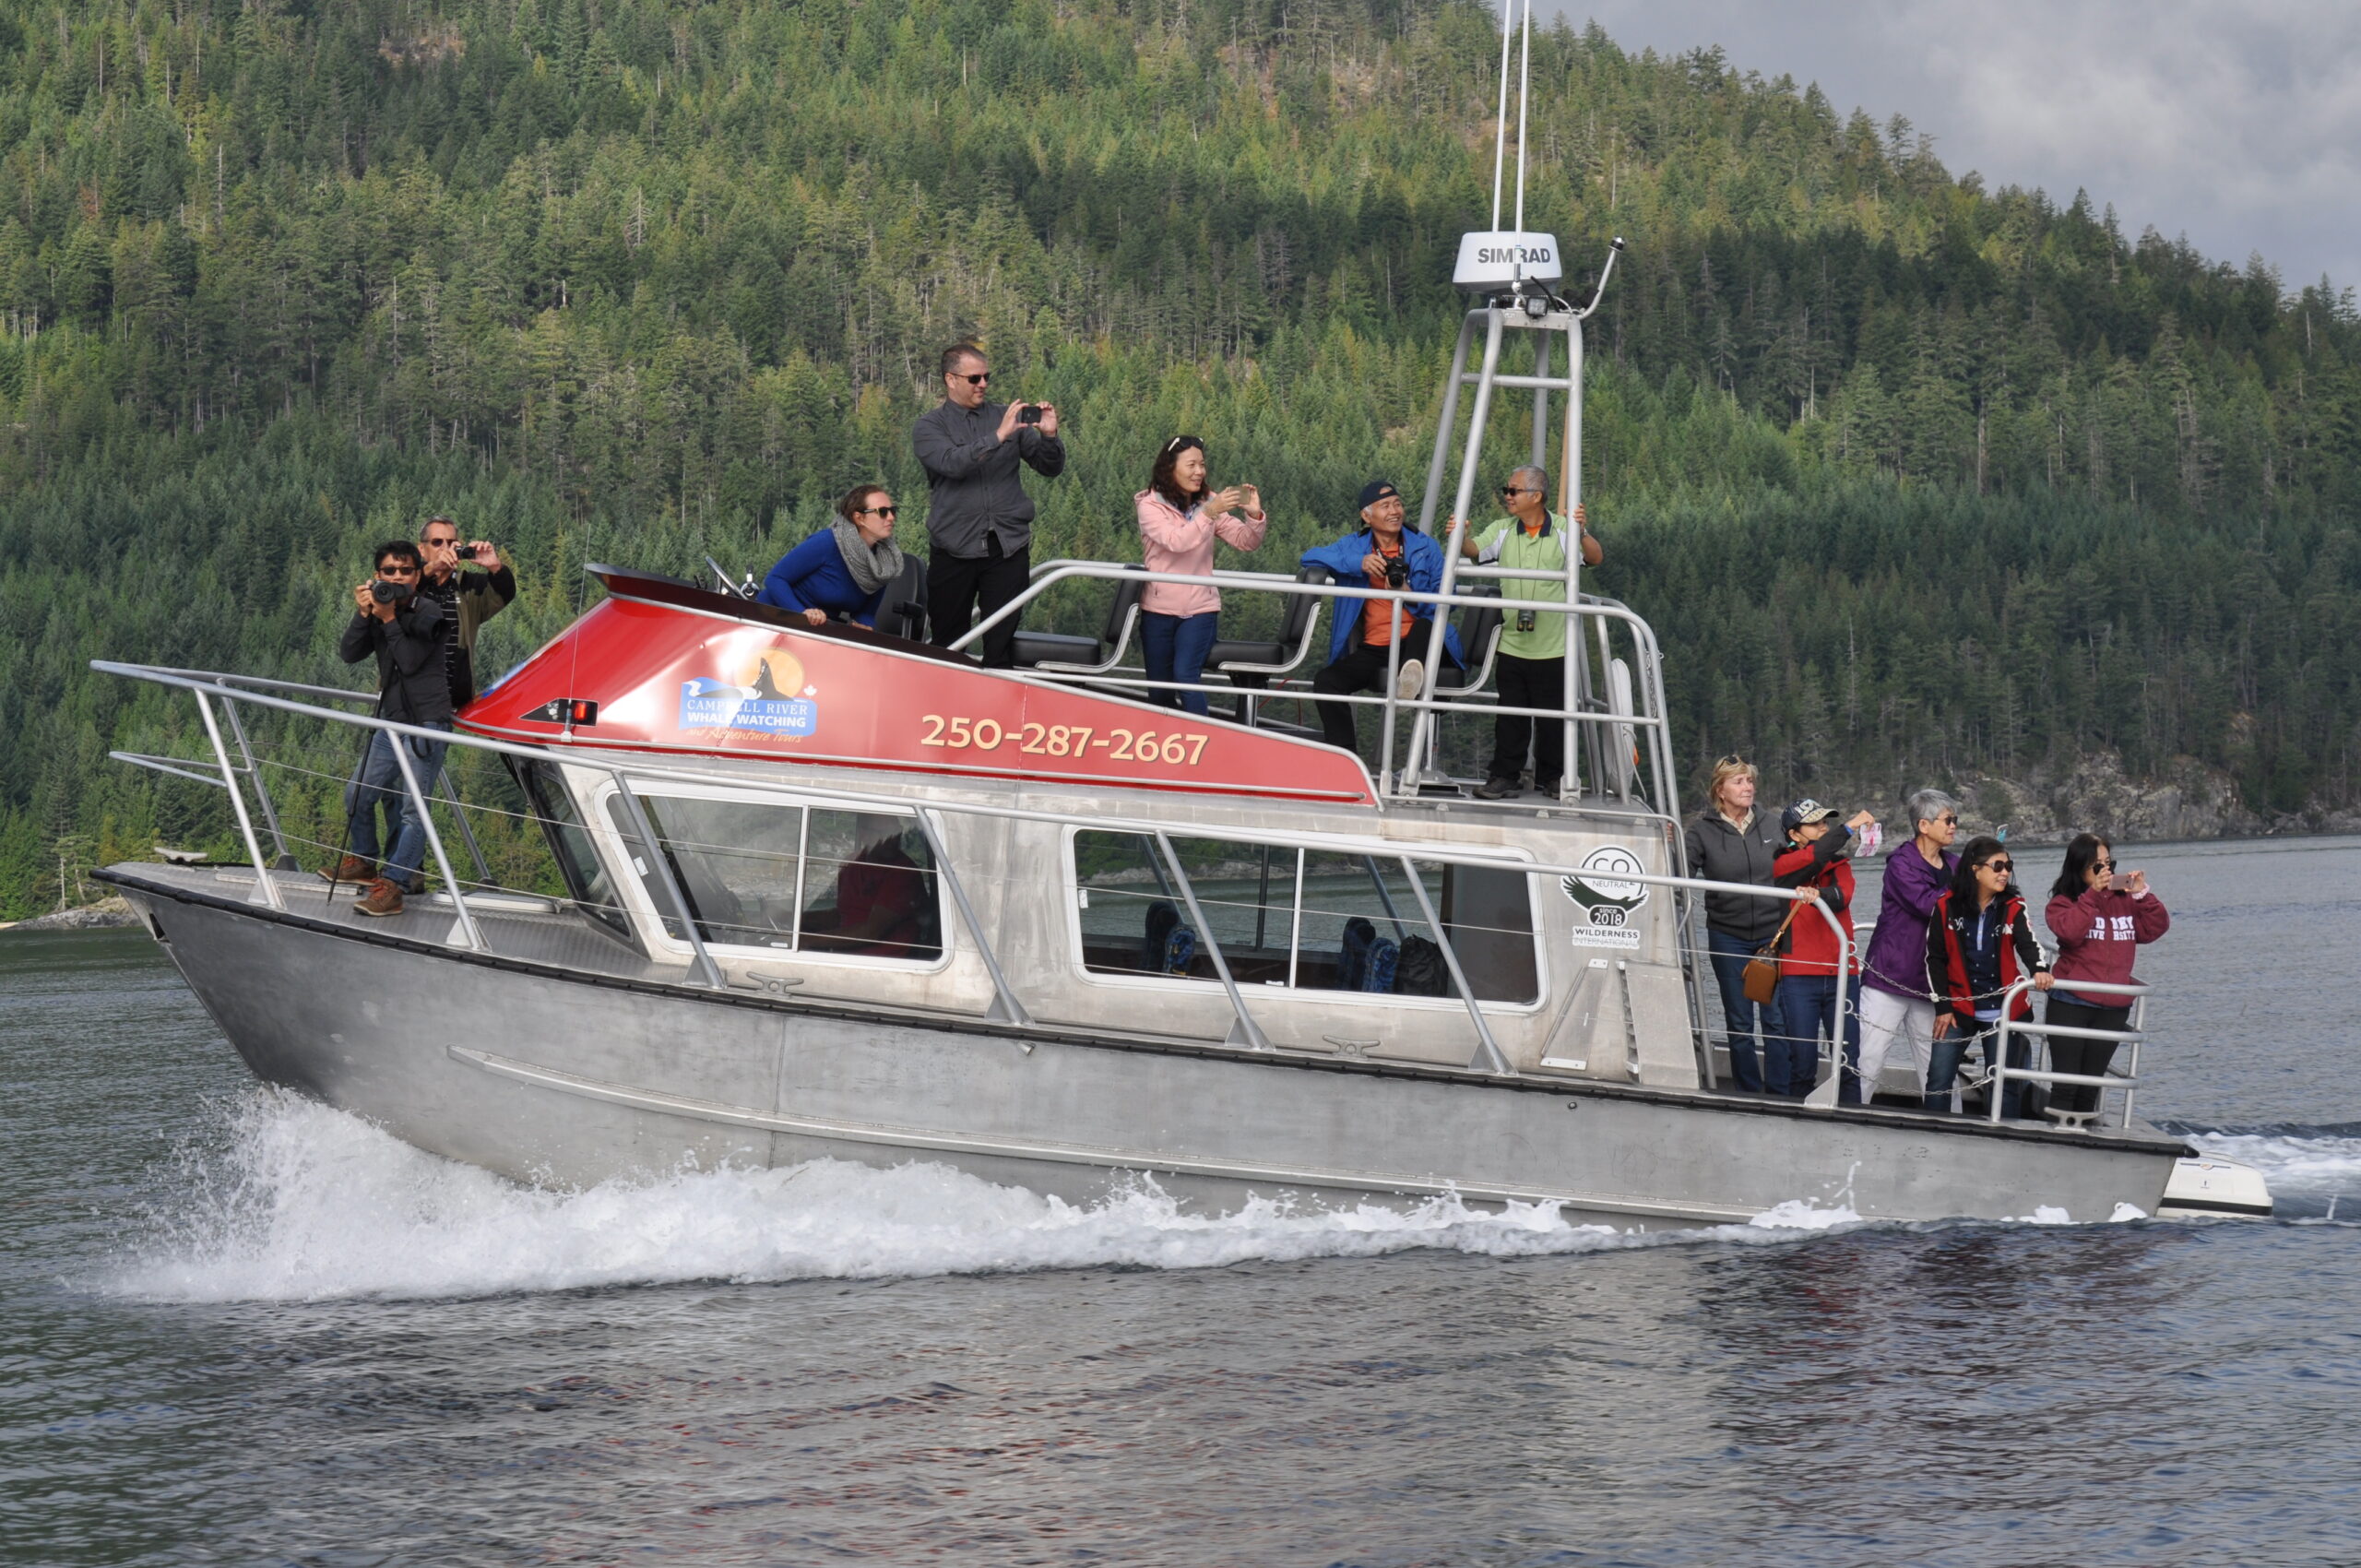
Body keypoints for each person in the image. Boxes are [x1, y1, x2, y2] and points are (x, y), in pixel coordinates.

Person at [912, 341, 1065, 667]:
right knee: (948, 645)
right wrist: (997, 437)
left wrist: (1050, 437)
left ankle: (996, 713)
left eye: (986, 377)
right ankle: (946, 712)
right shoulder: (929, 427)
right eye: (974, 378)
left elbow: (1049, 468)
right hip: (953, 547)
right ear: (950, 379)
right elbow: (952, 464)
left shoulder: (1005, 417)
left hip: (1007, 546)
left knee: (1001, 644)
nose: (983, 384)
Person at [324, 541, 454, 920]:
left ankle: (394, 884)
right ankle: (364, 861)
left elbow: (411, 663)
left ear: (418, 575)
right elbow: (349, 653)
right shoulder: (381, 610)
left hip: (426, 722)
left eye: (406, 570)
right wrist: (363, 614)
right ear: (377, 575)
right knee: (357, 795)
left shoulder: (428, 611)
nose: (397, 577)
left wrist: (387, 620)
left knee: (414, 811)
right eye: (389, 571)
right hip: (391, 721)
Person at [1453, 467, 1600, 799]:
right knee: (1511, 715)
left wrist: (1583, 532)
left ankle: (1553, 777)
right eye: (1507, 490)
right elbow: (1475, 551)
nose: (1507, 496)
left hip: (1554, 644)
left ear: (1536, 496)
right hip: (1512, 641)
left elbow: (1594, 558)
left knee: (1552, 717)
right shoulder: (1503, 530)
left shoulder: (1564, 530)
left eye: (1513, 490)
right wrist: (1460, 536)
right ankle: (1505, 775)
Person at [1299, 481, 1463, 755]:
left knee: (1424, 627)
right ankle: (1345, 759)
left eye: (1398, 504)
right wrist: (1358, 563)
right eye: (1385, 506)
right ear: (1367, 516)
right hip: (1377, 647)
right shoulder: (1353, 546)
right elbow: (1309, 557)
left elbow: (1449, 597)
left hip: (1422, 640)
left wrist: (1408, 593)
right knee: (1327, 682)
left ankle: (1411, 675)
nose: (1395, 511)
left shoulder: (1425, 547)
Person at [1683, 755, 1791, 1094]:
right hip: (1727, 935)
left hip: (1773, 936)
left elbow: (1799, 866)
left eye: (1749, 781)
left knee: (1776, 1019)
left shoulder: (1773, 824)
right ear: (1721, 790)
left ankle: (1780, 1092)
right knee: (1740, 1021)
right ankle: (1748, 1092)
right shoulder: (1701, 831)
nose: (1747, 787)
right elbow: (1680, 873)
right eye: (1739, 782)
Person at [2043, 834, 2169, 1123]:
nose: (2105, 872)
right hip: (2071, 1002)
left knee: (2090, 1085)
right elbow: (2070, 933)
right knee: (2066, 1084)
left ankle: (2086, 1147)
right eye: (2096, 866)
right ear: (2079, 868)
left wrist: (2142, 895)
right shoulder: (2062, 903)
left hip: (2112, 1007)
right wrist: (2092, 897)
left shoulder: (2125, 901)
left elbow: (2153, 930)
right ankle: (2056, 1144)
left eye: (2108, 864)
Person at [1925, 837, 2053, 1116]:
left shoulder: (2013, 906)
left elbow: (2028, 943)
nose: (2005, 872)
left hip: (2005, 1010)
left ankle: (2002, 1140)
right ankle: (1931, 1135)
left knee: (2003, 1085)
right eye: (1997, 866)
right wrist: (1943, 1007)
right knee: (1938, 1080)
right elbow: (1934, 959)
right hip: (1958, 1008)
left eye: (2008, 865)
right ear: (1974, 869)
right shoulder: (1945, 906)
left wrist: (2040, 970)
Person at [1857, 789, 1962, 1103]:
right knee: (1868, 1060)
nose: (1954, 825)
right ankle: (1847, 1116)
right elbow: (1929, 905)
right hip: (1888, 977)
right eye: (1948, 819)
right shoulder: (1900, 865)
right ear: (1924, 825)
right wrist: (1969, 895)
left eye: (1955, 819)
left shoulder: (1956, 864)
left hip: (1931, 983)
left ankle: (1951, 1126)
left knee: (1939, 1067)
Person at [1768, 802, 1879, 1100]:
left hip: (1843, 974)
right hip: (1799, 977)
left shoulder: (1840, 864)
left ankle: (1853, 1124)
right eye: (1815, 824)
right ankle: (1796, 1129)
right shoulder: (1782, 864)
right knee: (1802, 1064)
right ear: (1794, 833)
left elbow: (1843, 896)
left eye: (1825, 823)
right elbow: (1814, 856)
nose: (1823, 828)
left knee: (1847, 1064)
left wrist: (1819, 896)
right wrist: (1850, 826)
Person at [758, 484, 906, 627]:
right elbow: (775, 579)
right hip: (772, 620)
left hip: (822, 629)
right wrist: (802, 613)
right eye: (883, 512)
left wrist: (864, 626)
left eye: (893, 510)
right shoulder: (827, 542)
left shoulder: (884, 565)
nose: (891, 517)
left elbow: (866, 613)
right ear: (859, 518)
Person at [415, 516, 515, 712]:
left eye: (452, 543)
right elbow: (398, 594)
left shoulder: (470, 586)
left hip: (446, 701)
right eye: (437, 542)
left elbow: (504, 594)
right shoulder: (409, 578)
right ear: (421, 549)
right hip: (404, 697)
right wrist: (432, 567)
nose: (445, 548)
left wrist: (495, 567)